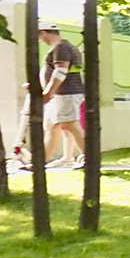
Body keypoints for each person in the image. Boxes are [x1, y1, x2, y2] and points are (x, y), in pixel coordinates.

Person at [36, 24, 85, 170]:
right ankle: (50, 160)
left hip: (66, 93)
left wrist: (48, 93)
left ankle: (90, 158)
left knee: (70, 124)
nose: (39, 39)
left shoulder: (61, 48)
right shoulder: (65, 46)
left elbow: (60, 72)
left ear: (44, 32)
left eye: (39, 35)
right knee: (53, 125)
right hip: (61, 94)